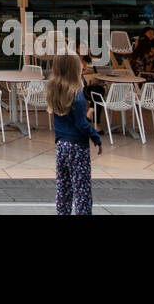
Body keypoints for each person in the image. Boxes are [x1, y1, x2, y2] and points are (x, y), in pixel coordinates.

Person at [47, 53, 102, 215]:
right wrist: (95, 136)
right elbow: (81, 124)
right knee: (82, 189)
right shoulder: (76, 94)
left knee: (63, 187)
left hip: (61, 145)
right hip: (77, 147)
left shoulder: (54, 91)